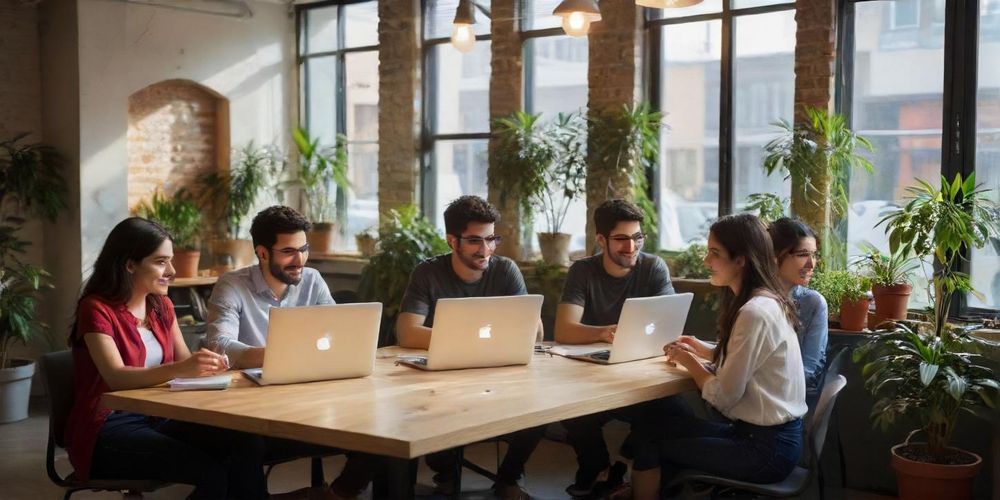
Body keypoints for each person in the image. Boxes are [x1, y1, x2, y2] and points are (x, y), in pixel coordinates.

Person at [65, 217, 266, 499]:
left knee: (245, 442)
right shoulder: (95, 308)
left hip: (160, 415)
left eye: (170, 261)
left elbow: (186, 365)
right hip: (107, 428)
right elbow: (116, 377)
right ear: (130, 264)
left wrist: (207, 366)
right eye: (161, 262)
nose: (171, 271)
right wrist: (182, 367)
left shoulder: (162, 306)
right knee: (210, 471)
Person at [204, 205, 378, 500]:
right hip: (254, 407)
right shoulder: (232, 285)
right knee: (243, 442)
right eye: (288, 251)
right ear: (262, 252)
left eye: (304, 249)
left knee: (381, 423)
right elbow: (219, 343)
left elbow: (340, 332)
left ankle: (337, 493)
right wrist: (280, 354)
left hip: (309, 398)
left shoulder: (311, 280)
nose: (299, 260)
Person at [629, 213, 808, 499]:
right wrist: (703, 348)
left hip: (765, 450)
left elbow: (724, 397)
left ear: (741, 260)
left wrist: (688, 361)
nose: (706, 261)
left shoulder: (754, 312)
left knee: (651, 444)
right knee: (656, 426)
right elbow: (750, 362)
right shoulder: (765, 301)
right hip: (768, 439)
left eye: (714, 253)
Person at [396, 195, 543, 500]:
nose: (486, 249)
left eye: (491, 239)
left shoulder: (505, 270)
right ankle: (446, 474)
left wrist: (521, 326)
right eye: (475, 240)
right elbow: (407, 332)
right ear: (452, 240)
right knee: (430, 410)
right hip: (441, 378)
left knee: (540, 410)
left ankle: (509, 477)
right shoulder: (428, 273)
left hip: (498, 373)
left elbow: (536, 332)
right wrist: (468, 339)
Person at [555, 199, 675, 498]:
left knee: (671, 411)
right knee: (573, 411)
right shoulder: (583, 271)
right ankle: (599, 471)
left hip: (643, 372)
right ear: (601, 239)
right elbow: (564, 330)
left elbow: (670, 324)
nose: (631, 248)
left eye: (637, 238)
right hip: (594, 376)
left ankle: (618, 466)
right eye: (622, 239)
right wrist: (605, 333)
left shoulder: (653, 267)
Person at [768, 217, 828, 403]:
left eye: (814, 254)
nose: (811, 264)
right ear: (775, 256)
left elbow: (808, 372)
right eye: (803, 254)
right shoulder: (758, 301)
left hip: (791, 405)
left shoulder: (812, 303)